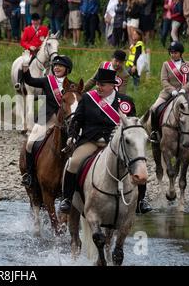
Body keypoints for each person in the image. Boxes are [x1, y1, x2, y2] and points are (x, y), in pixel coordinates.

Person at [59, 68, 152, 214]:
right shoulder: (88, 98)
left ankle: (141, 201)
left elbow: (132, 125)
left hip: (115, 143)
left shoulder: (125, 102)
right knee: (74, 163)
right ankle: (67, 199)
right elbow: (77, 121)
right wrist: (72, 136)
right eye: (97, 84)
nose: (98, 87)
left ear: (112, 86)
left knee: (137, 164)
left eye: (102, 84)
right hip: (91, 140)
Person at [21, 55, 75, 187]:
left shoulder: (72, 85)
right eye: (55, 65)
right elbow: (29, 80)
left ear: (67, 69)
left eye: (60, 66)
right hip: (47, 119)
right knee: (30, 143)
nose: (56, 67)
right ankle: (29, 174)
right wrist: (25, 67)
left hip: (65, 123)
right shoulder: (47, 81)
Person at [149, 41, 189, 144]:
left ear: (180, 53)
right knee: (154, 108)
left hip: (187, 92)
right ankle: (155, 132)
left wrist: (184, 89)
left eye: (175, 52)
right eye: (171, 52)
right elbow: (164, 80)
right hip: (168, 92)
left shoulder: (188, 64)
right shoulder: (166, 65)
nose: (173, 54)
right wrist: (172, 90)